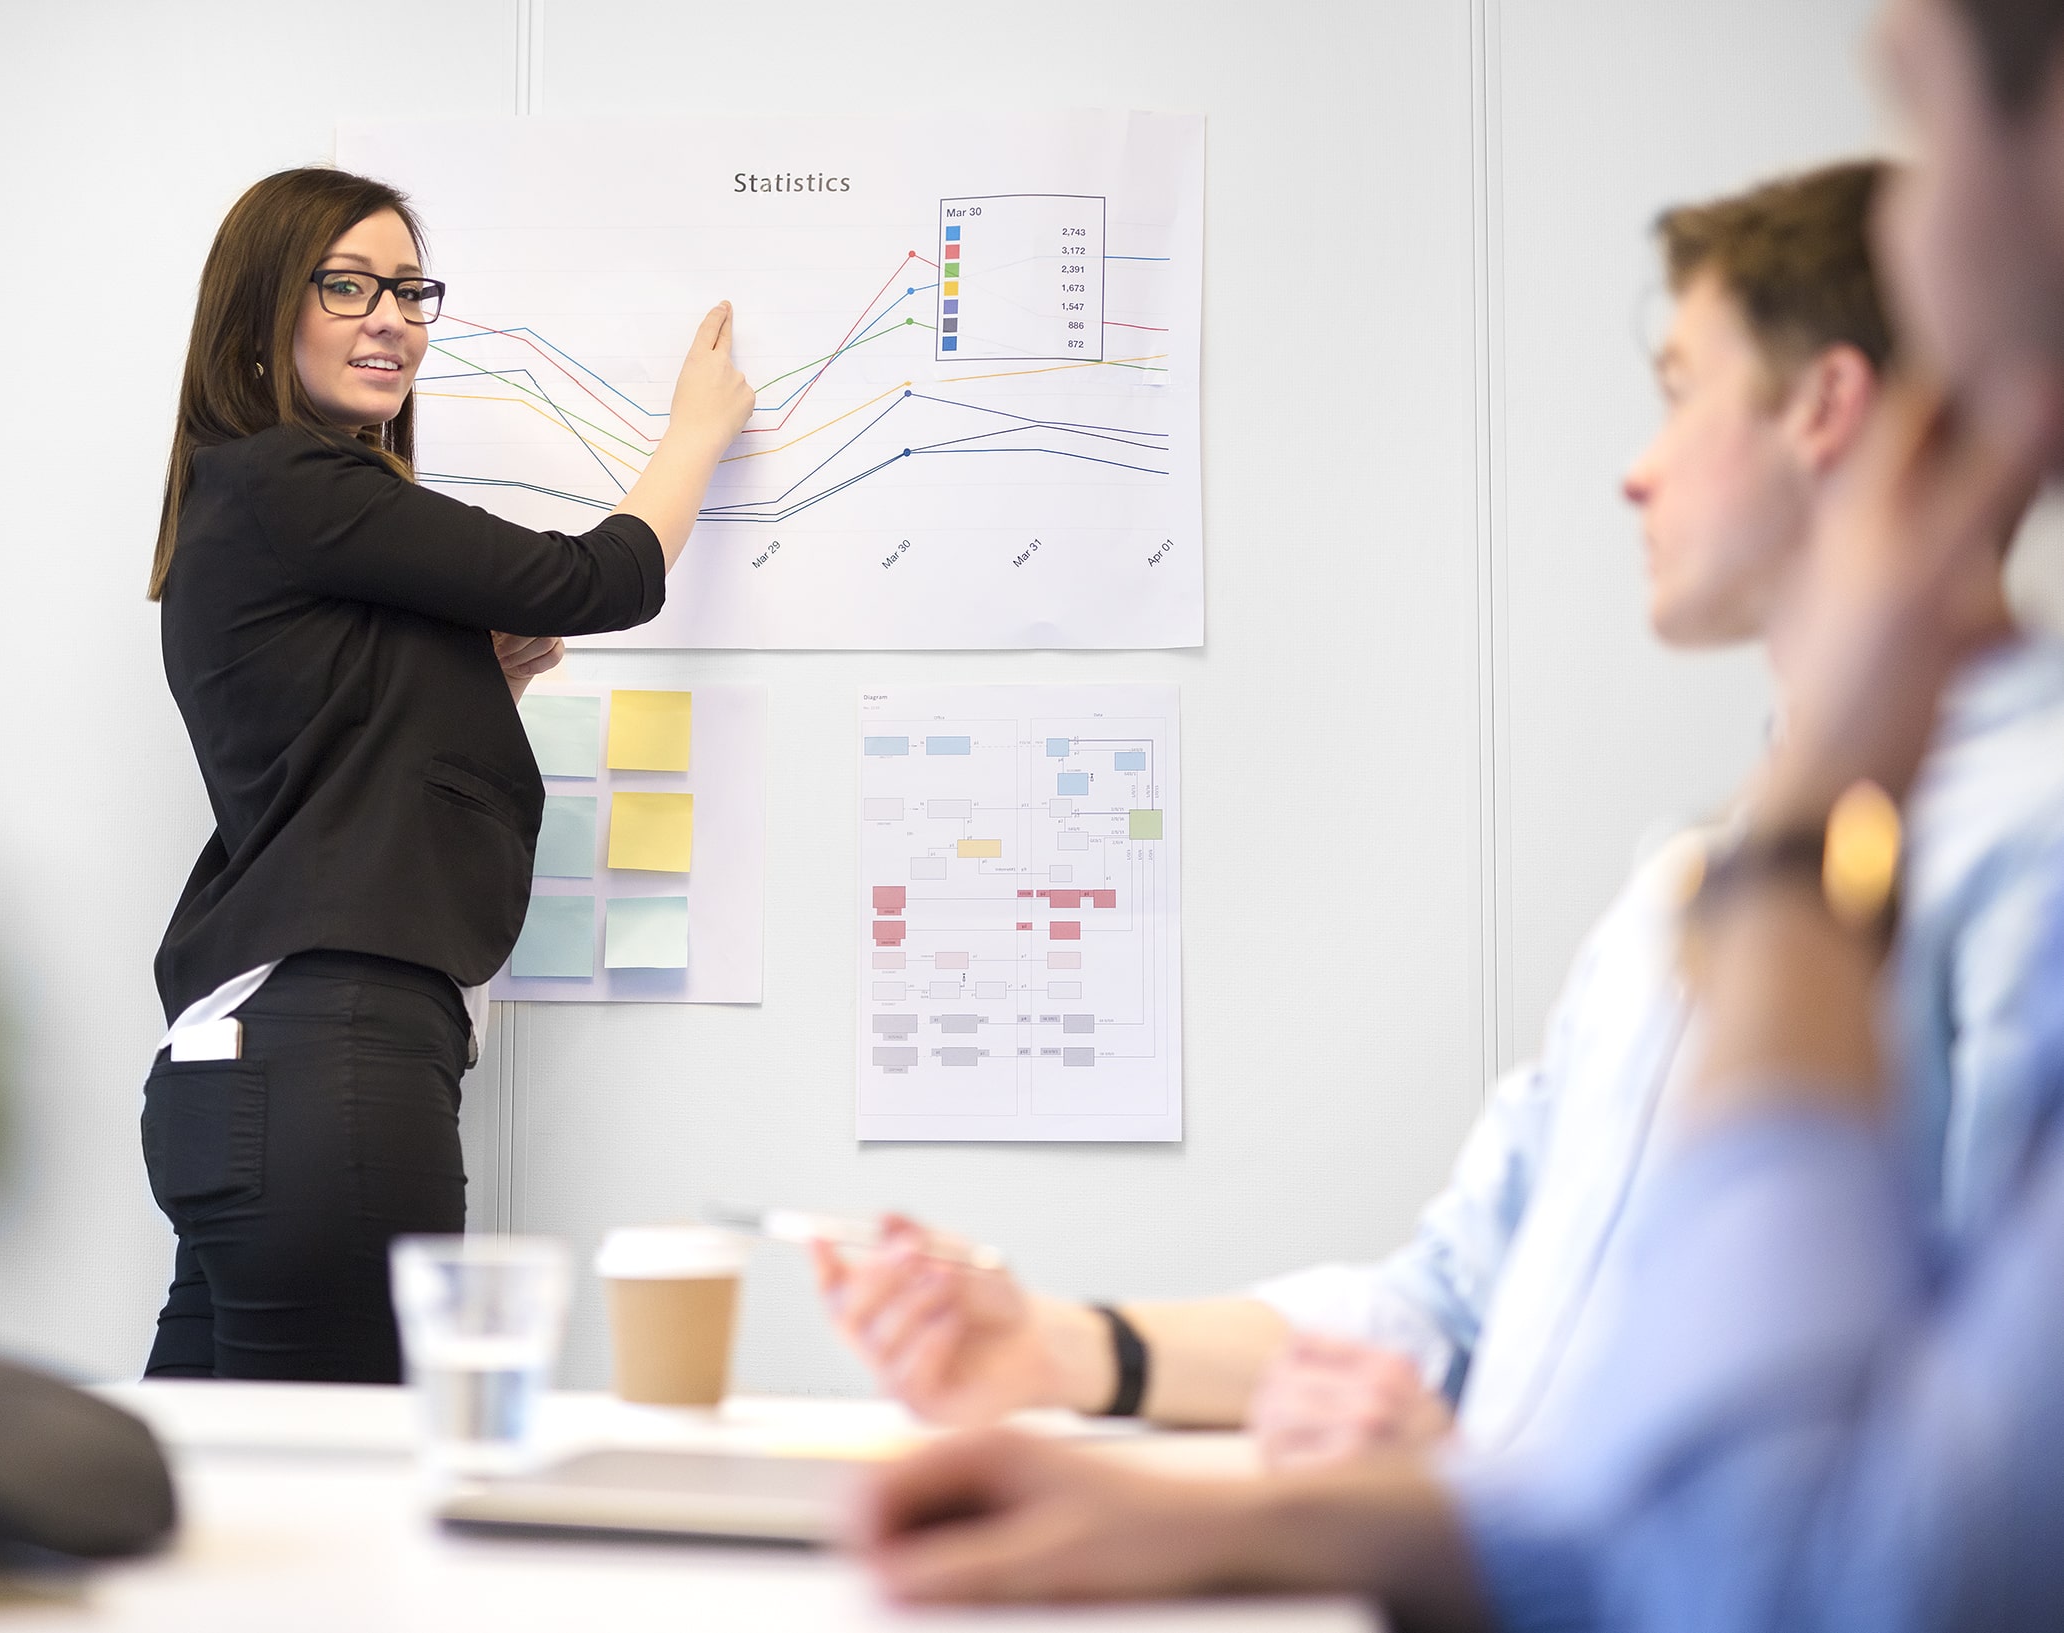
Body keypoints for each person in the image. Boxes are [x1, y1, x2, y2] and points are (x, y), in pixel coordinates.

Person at [847, 0, 2064, 1625]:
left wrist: (1464, 1472)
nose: (1634, 470)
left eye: (1677, 384)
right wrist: (1070, 1350)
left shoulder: (2018, 851)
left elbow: (1869, 1553)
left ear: (1827, 406)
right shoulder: (1687, 893)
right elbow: (1455, 1296)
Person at [138, 168, 754, 1381]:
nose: (392, 318)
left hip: (243, 1075)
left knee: (213, 1493)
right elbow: (596, 579)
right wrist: (692, 436)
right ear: (262, 311)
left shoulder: (252, 514)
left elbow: (346, 762)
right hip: (334, 1057)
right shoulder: (297, 480)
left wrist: (493, 686)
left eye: (408, 289)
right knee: (348, 1496)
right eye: (347, 285)